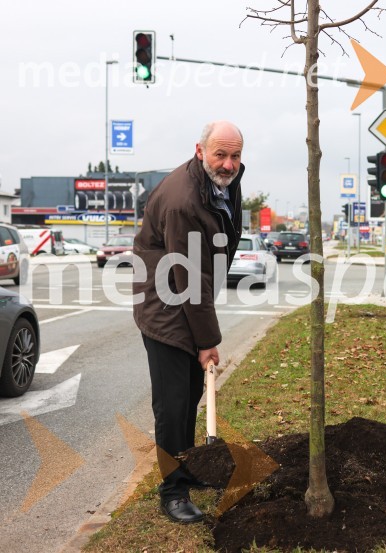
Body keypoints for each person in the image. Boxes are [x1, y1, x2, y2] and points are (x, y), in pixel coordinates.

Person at [133, 121, 244, 524]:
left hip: (187, 295)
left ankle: (187, 466)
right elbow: (190, 279)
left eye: (235, 156)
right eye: (220, 154)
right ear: (200, 151)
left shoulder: (220, 182)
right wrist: (207, 341)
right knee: (172, 405)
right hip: (166, 306)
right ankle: (173, 492)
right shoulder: (183, 202)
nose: (228, 164)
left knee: (191, 394)